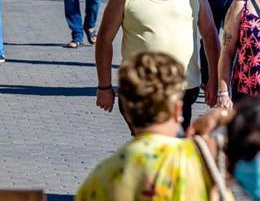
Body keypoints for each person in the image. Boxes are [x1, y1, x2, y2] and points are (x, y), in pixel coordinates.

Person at [95, 0, 221, 126]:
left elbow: (210, 35)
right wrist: (104, 86)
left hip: (183, 87)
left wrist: (214, 79)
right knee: (148, 140)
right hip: (140, 89)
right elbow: (104, 39)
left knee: (174, 141)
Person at [77, 52, 226, 200]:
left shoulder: (102, 176)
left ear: (126, 111)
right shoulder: (197, 170)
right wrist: (221, 117)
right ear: (177, 110)